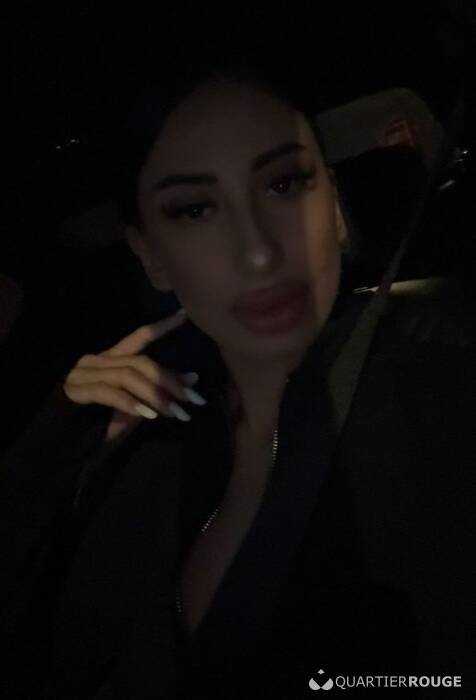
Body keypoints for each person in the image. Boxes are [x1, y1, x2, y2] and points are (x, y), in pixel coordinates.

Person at [1, 61, 475, 700]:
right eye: (195, 209)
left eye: (283, 184)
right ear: (151, 256)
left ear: (334, 207)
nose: (257, 252)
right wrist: (50, 454)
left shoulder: (445, 398)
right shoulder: (140, 452)